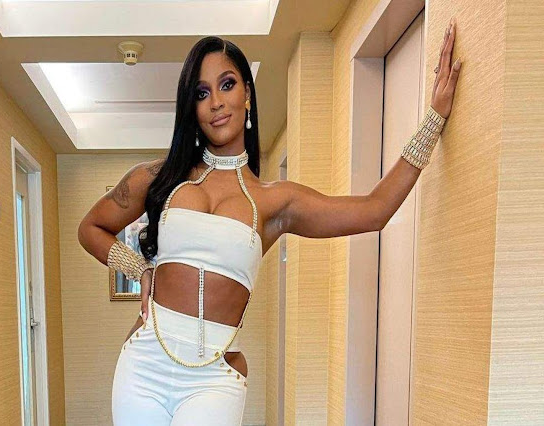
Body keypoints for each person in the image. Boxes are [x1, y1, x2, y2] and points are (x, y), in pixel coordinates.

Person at [78, 19, 460, 426]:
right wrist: (141, 269)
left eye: (227, 85)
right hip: (144, 366)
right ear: (192, 107)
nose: (216, 102)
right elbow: (91, 229)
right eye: (202, 93)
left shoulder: (275, 201)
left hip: (214, 378)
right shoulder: (158, 178)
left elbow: (375, 209)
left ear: (247, 93)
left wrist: (433, 119)